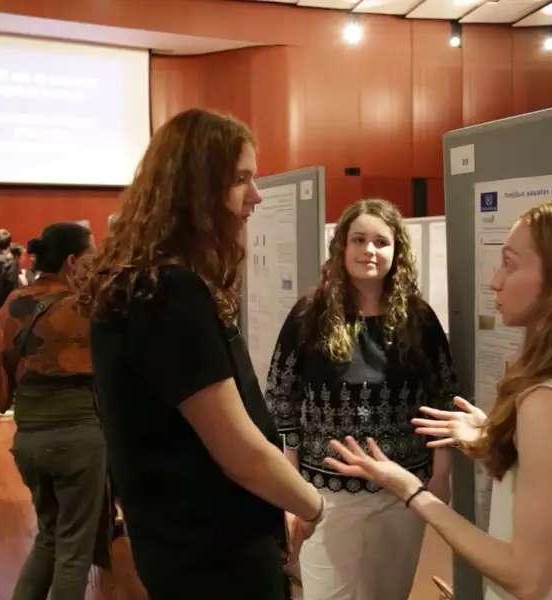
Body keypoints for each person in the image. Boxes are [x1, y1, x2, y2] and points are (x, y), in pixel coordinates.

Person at [325, 198, 552, 600]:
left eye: (510, 264)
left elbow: (526, 579)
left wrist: (411, 490)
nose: (495, 280)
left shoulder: (550, 403)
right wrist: (496, 437)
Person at [84, 108, 324, 600]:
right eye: (241, 180)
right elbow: (237, 448)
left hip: (180, 542)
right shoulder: (172, 291)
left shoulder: (142, 283)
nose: (255, 196)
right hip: (214, 551)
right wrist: (312, 505)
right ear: (195, 188)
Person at [266, 198, 457, 600]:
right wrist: (291, 486)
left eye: (381, 242)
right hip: (327, 491)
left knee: (391, 592)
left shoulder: (419, 320)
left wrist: (441, 475)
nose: (369, 250)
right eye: (359, 240)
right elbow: (282, 400)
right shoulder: (309, 316)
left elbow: (443, 397)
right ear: (342, 247)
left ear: (396, 251)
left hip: (403, 489)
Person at [0, 223, 107, 600]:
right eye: (90, 257)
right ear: (72, 262)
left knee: (49, 537)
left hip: (28, 439)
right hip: (78, 437)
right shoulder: (85, 307)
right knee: (74, 551)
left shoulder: (14, 303)